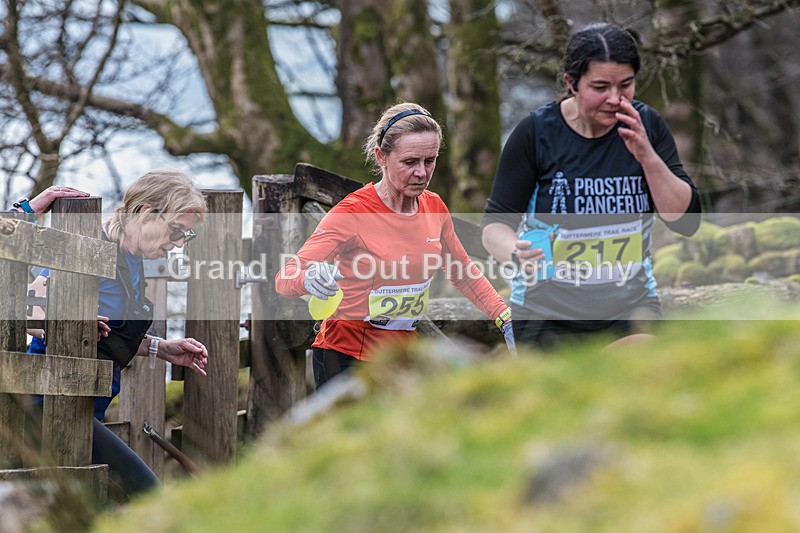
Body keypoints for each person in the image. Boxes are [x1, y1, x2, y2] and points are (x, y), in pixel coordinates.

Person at [481, 22, 701, 350]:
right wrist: (516, 251)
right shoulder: (535, 133)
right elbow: (495, 226)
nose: (615, 98)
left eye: (625, 85)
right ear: (572, 83)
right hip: (546, 313)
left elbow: (686, 221)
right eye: (600, 87)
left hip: (631, 308)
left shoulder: (647, 125)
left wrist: (647, 156)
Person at [276, 102, 513, 389]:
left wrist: (505, 318)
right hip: (346, 356)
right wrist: (309, 278)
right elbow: (285, 278)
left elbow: (463, 272)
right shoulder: (352, 213)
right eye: (410, 162)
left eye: (430, 161)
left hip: (402, 357)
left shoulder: (434, 207)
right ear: (381, 157)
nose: (422, 173)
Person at [25, 169, 209, 499]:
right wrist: (68, 324)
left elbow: (111, 334)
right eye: (177, 230)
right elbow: (24, 310)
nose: (180, 243)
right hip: (47, 403)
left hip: (84, 407)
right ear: (147, 213)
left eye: (187, 236)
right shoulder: (89, 247)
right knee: (148, 494)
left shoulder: (133, 262)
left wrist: (161, 348)